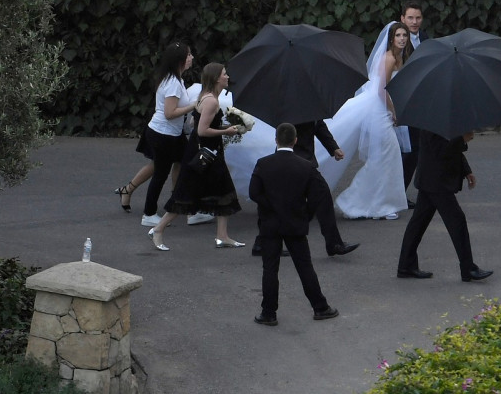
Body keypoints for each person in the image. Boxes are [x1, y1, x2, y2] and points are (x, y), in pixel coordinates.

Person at [249, 123, 339, 326]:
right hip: (295, 223)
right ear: (295, 140)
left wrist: (271, 207)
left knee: (270, 268)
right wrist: (304, 214)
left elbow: (254, 193)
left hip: (270, 224)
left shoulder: (263, 163)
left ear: (276, 140)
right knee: (304, 266)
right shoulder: (305, 166)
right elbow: (318, 195)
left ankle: (269, 312)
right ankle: (320, 307)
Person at [148, 63, 243, 251]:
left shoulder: (205, 97)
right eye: (224, 74)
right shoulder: (211, 101)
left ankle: (222, 236)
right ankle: (158, 229)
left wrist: (225, 128)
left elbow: (194, 121)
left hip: (207, 152)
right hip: (205, 154)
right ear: (217, 78)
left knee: (223, 190)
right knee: (186, 192)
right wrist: (228, 131)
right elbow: (202, 130)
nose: (227, 77)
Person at [330, 22, 409, 220]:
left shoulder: (399, 57)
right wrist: (393, 112)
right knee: (386, 157)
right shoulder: (389, 58)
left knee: (385, 159)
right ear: (391, 39)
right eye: (398, 35)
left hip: (382, 110)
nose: (402, 39)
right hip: (378, 112)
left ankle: (381, 203)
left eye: (404, 35)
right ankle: (355, 202)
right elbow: (382, 90)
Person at [250, 119, 360, 257]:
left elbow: (318, 124)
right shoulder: (288, 105)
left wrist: (333, 147)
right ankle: (263, 242)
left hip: (304, 161)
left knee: (321, 195)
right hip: (291, 160)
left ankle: (333, 243)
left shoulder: (309, 103)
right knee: (280, 199)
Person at [115, 41, 196, 227]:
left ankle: (175, 200)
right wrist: (193, 106)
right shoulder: (173, 83)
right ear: (180, 60)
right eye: (189, 55)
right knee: (161, 173)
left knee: (182, 162)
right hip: (163, 134)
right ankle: (149, 214)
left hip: (170, 134)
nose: (192, 58)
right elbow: (169, 113)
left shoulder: (175, 79)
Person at [396, 129, 494, 282]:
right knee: (457, 220)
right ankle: (468, 268)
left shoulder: (438, 115)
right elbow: (439, 150)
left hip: (431, 179)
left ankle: (406, 266)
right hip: (435, 180)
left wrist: (467, 170)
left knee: (418, 222)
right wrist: (462, 139)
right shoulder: (430, 119)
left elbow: (445, 146)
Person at [398, 0, 429, 209]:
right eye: (410, 17)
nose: (414, 22)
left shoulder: (426, 40)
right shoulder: (398, 41)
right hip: (405, 104)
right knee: (409, 152)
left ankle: (424, 190)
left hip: (424, 103)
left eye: (418, 17)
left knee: (422, 148)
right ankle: (398, 194)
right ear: (402, 19)